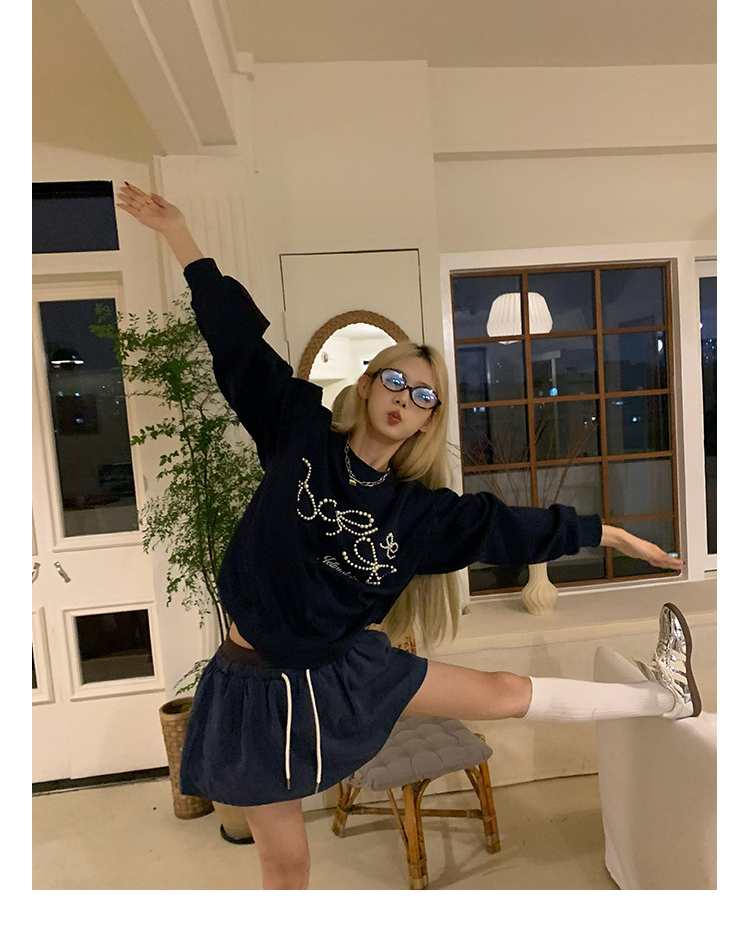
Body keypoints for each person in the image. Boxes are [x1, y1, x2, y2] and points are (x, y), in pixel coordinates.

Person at [117, 184, 701, 891]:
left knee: (502, 689)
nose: (406, 397)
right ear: (367, 385)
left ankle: (666, 697)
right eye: (396, 380)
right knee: (286, 865)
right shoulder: (298, 432)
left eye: (424, 395)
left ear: (429, 419)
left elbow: (507, 529)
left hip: (341, 670)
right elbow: (237, 343)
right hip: (252, 685)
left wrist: (608, 532)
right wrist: (180, 236)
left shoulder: (418, 515)